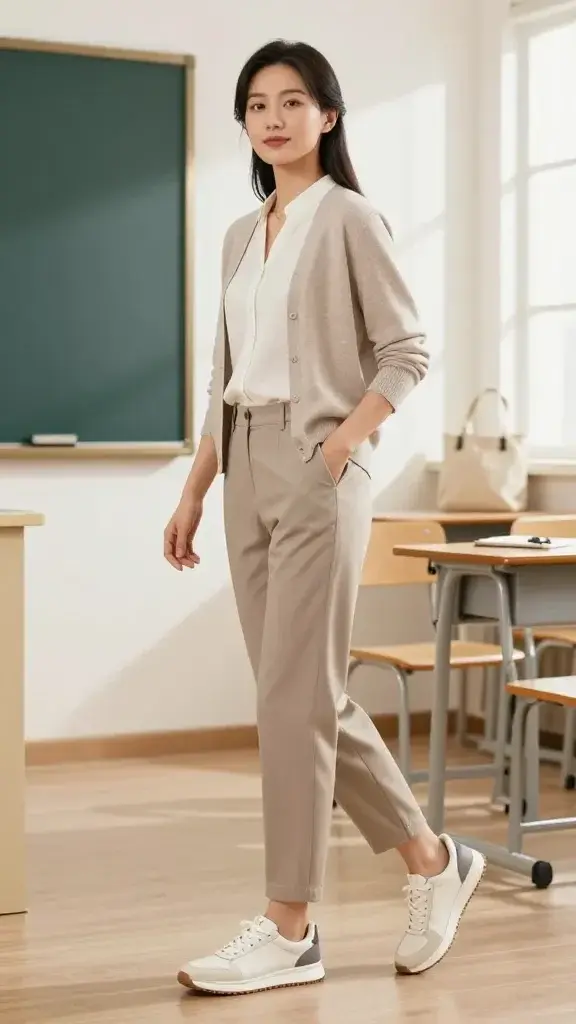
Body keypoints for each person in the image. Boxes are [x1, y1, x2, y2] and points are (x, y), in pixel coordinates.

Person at [164, 39, 485, 997]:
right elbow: (225, 376)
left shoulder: (349, 218)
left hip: (316, 467)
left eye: (293, 101)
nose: (272, 117)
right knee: (300, 696)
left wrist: (342, 444)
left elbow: (407, 351)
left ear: (328, 117)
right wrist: (195, 485)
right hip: (245, 465)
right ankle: (433, 860)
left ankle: (290, 925)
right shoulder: (238, 235)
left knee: (291, 701)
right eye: (257, 103)